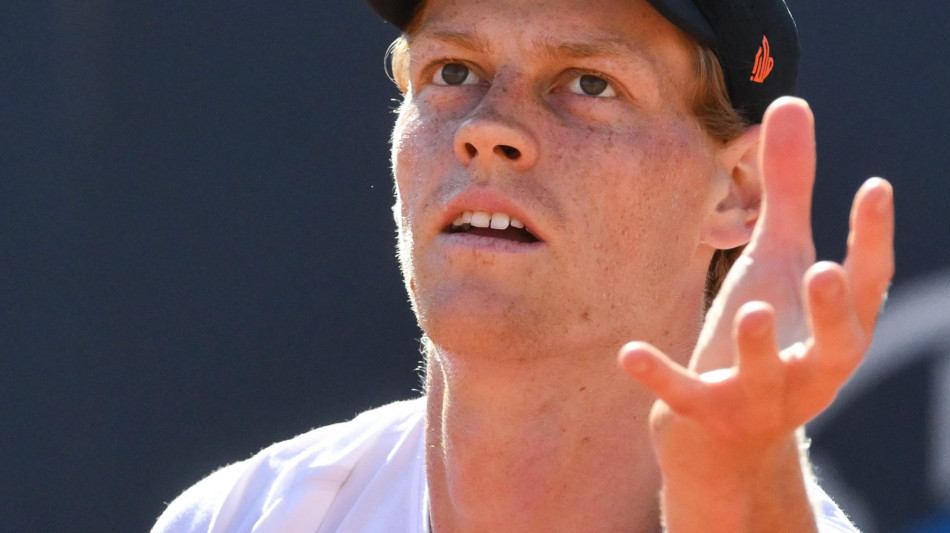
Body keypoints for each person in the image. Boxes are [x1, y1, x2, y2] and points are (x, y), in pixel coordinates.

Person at [152, 0, 895, 531]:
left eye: (590, 83)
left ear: (736, 191)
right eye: (452, 69)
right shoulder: (240, 519)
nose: (488, 128)